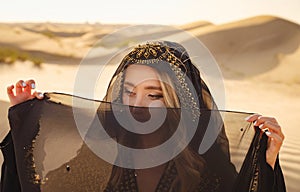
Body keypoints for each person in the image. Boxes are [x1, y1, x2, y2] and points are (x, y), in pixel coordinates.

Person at [2, 41, 285, 192]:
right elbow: (46, 186)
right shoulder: (103, 150)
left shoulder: (204, 163)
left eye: (154, 95)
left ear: (179, 101)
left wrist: (267, 162)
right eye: (129, 91)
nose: (137, 105)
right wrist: (26, 122)